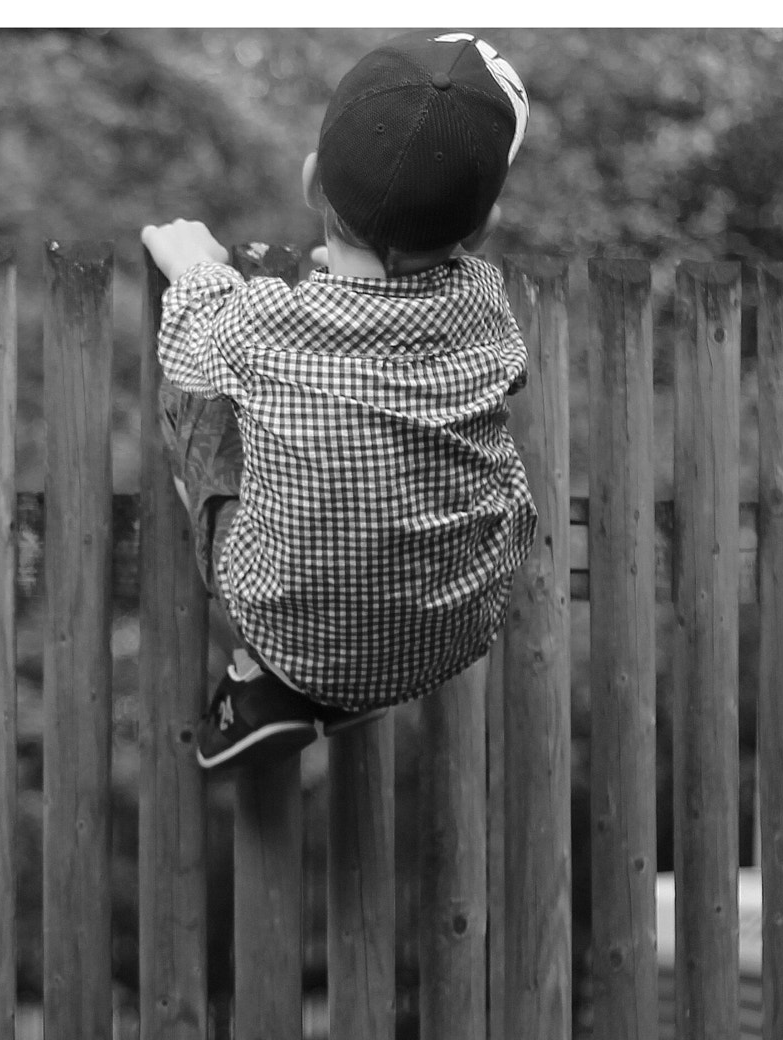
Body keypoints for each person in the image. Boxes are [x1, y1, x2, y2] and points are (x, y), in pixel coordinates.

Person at [141, 30, 538, 771]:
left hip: (286, 622)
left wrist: (193, 266)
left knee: (194, 400)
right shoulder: (486, 304)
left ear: (311, 178)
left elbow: (195, 343)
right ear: (481, 230)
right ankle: (315, 690)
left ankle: (267, 674)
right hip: (452, 632)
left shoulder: (262, 323)